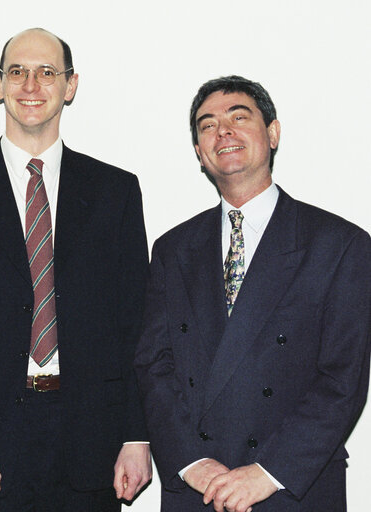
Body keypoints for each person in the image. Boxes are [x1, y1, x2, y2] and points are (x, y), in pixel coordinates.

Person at [0, 28, 152, 512]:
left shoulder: (116, 192)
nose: (31, 85)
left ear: (71, 86)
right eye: (17, 72)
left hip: (92, 443)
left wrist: (136, 435)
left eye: (47, 72)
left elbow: (136, 323)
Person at [134, 75, 371, 512]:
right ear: (200, 154)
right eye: (207, 125)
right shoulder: (172, 249)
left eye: (239, 117)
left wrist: (268, 471)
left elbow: (343, 379)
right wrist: (190, 461)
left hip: (293, 484)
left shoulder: (340, 245)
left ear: (273, 133)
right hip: (197, 488)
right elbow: (154, 365)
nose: (223, 131)